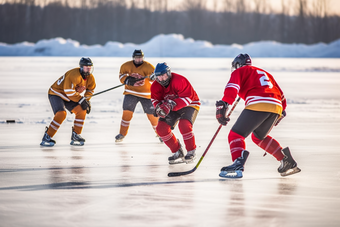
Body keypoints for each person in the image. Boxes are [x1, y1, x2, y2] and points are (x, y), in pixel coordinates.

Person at [216, 53, 301, 178]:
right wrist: (281, 111)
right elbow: (281, 95)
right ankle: (286, 160)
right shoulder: (264, 73)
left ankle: (237, 164)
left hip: (259, 102)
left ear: (238, 65)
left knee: (236, 135)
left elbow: (232, 88)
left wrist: (224, 104)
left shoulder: (239, 72)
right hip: (276, 106)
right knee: (259, 137)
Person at [151, 62, 200, 164]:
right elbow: (155, 99)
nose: (162, 79)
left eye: (164, 75)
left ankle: (191, 151)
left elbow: (188, 97)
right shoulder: (155, 86)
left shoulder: (180, 80)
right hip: (171, 107)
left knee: (184, 125)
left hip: (189, 104)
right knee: (161, 128)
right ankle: (177, 151)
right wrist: (158, 108)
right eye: (159, 77)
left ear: (168, 73)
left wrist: (171, 105)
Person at [40, 57, 96, 146]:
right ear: (81, 68)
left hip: (70, 96)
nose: (88, 70)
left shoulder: (90, 78)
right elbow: (69, 92)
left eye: (90, 68)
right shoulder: (74, 75)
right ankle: (47, 136)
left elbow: (90, 89)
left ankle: (76, 135)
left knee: (82, 110)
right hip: (56, 93)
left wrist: (86, 100)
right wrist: (81, 100)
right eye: (86, 68)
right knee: (61, 114)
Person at [115, 49, 160, 142]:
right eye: (137, 58)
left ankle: (160, 134)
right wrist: (127, 79)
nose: (138, 60)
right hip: (130, 93)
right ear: (133, 57)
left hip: (146, 95)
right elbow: (121, 76)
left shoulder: (149, 67)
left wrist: (154, 78)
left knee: (153, 116)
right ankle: (122, 134)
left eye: (140, 58)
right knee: (126, 114)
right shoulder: (126, 65)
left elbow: (157, 79)